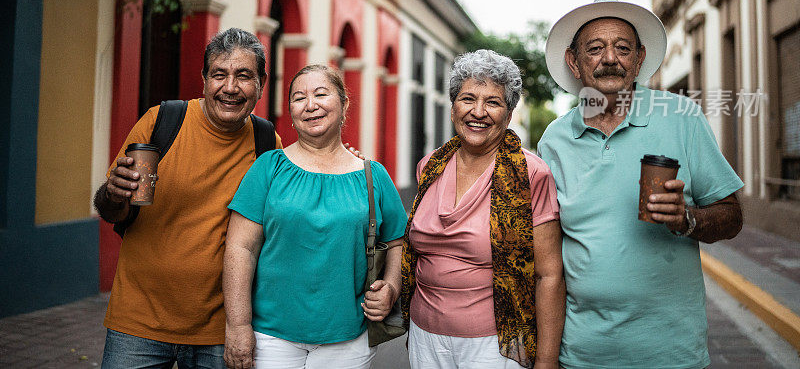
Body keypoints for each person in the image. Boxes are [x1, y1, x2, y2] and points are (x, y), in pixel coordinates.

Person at [538, 0, 744, 369]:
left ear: (639, 58)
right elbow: (548, 257)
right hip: (583, 354)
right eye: (595, 48)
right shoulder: (554, 141)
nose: (610, 59)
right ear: (574, 61)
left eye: (623, 48)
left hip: (671, 353)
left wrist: (688, 219)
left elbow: (732, 216)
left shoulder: (681, 117)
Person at [93, 27, 282, 369]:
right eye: (219, 75)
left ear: (261, 83)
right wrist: (113, 192)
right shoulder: (162, 121)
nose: (230, 88)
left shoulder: (267, 143)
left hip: (219, 331)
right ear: (204, 79)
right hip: (139, 321)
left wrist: (348, 162)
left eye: (243, 76)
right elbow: (113, 211)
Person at [223, 64, 408, 369]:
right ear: (291, 110)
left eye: (321, 94)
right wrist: (238, 326)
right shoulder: (269, 167)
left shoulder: (372, 176)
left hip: (350, 336)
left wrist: (390, 287)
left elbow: (398, 242)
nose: (310, 105)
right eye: (299, 98)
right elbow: (240, 248)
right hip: (271, 337)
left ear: (344, 103)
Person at [401, 49, 565, 369]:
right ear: (452, 109)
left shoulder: (532, 175)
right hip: (424, 336)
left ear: (508, 113)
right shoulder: (429, 167)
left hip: (495, 344)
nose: (478, 111)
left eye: (493, 102)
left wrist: (547, 361)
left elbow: (549, 275)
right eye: (467, 99)